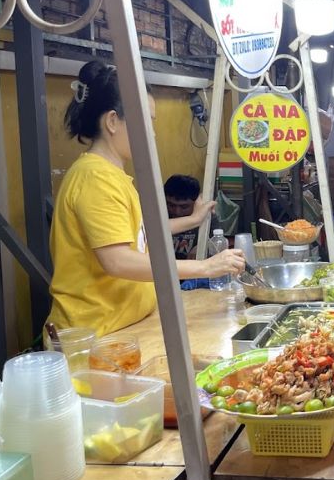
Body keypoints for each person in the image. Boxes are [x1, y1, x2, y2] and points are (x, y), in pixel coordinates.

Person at [48, 61, 245, 336]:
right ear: (113, 121)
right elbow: (118, 260)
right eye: (146, 121)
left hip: (123, 327)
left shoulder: (112, 174)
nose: (152, 133)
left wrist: (192, 220)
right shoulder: (95, 178)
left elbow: (138, 232)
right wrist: (205, 267)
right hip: (94, 338)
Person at [164, 174, 215, 261]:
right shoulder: (158, 218)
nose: (177, 212)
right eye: (171, 205)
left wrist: (203, 246)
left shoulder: (207, 218)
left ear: (196, 204)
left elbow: (217, 242)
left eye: (184, 207)